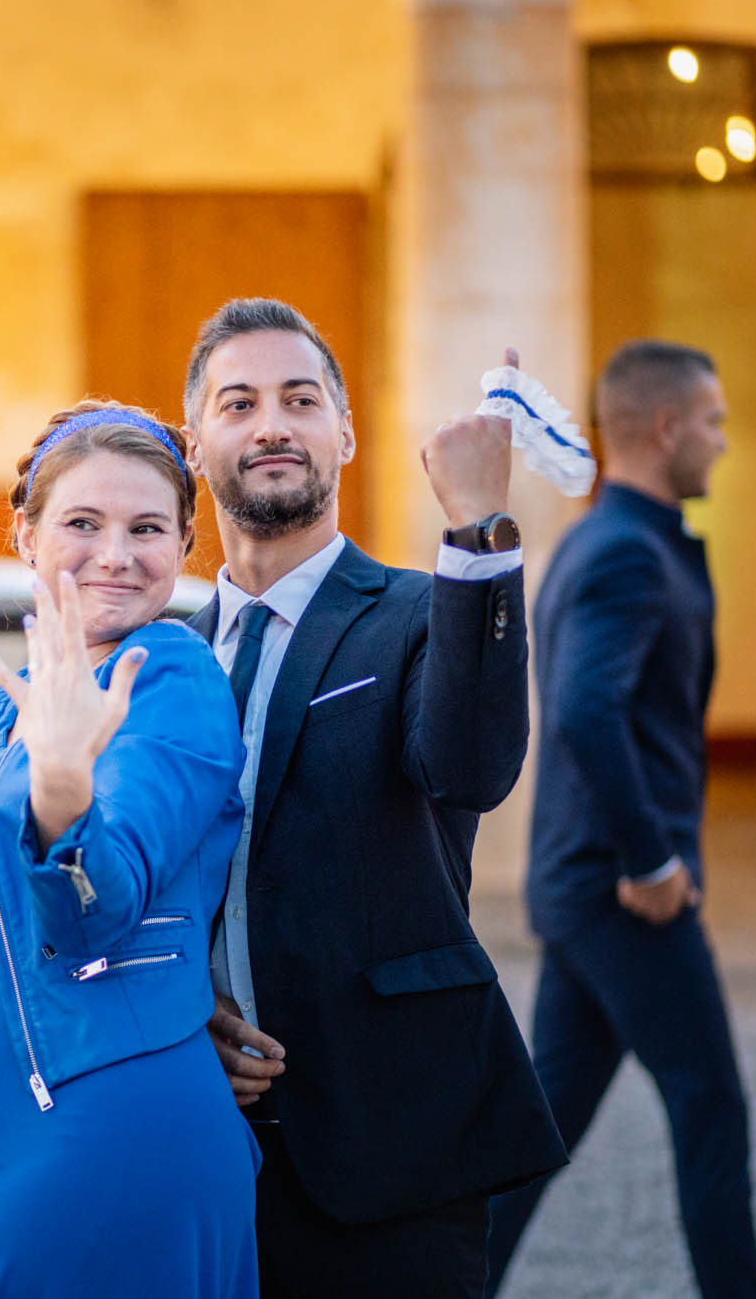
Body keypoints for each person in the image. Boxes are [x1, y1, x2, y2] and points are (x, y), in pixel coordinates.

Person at [182, 297, 566, 1299]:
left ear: (343, 433)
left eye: (298, 399)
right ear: (195, 441)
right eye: (239, 402)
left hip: (393, 1141)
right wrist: (185, 1009)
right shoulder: (167, 658)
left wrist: (476, 530)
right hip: (203, 1143)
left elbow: (471, 767)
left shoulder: (414, 613)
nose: (270, 423)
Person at [0, 402, 259, 1299]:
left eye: (146, 528)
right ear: (25, 532)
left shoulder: (170, 675)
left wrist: (64, 796)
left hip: (107, 1124)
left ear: (183, 544)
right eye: (83, 523)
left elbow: (109, 893)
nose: (115, 554)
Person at [484, 341, 756, 1298]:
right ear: (667, 426)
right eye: (715, 421)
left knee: (542, 1125)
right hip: (619, 889)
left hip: (585, 886)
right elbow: (582, 710)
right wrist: (650, 860)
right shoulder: (625, 555)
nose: (723, 443)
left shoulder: (611, 539)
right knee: (712, 1106)